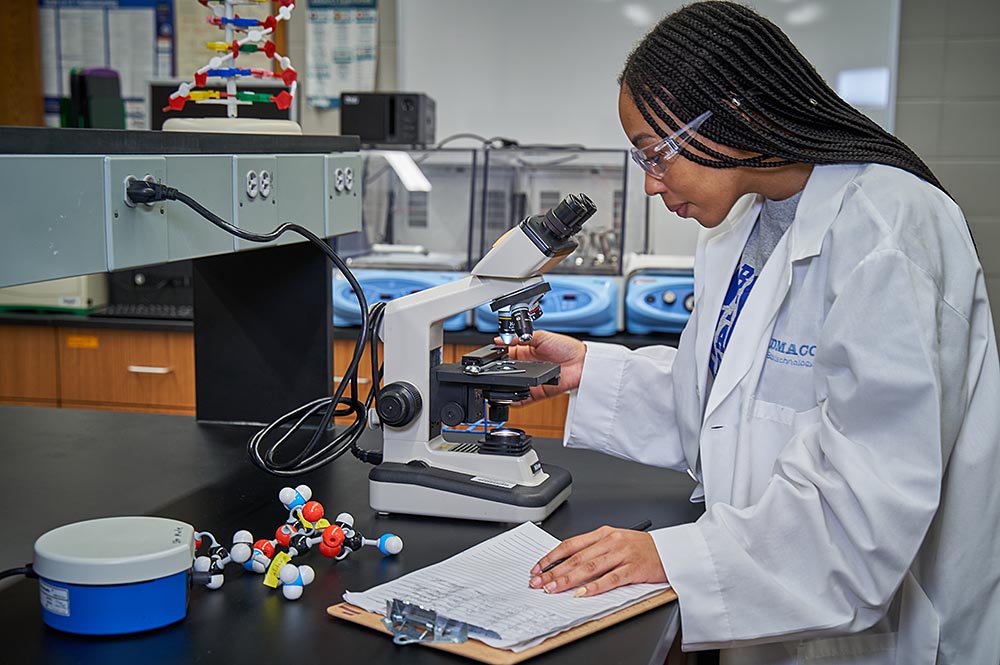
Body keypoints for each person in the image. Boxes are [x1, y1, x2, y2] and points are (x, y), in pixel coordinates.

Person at [508, 2, 1000, 663]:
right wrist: (589, 371)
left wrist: (670, 554)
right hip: (772, 610)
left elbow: (865, 510)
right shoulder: (743, 231)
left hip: (884, 629)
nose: (651, 185)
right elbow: (730, 409)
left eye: (658, 155)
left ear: (735, 113)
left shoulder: (889, 228)